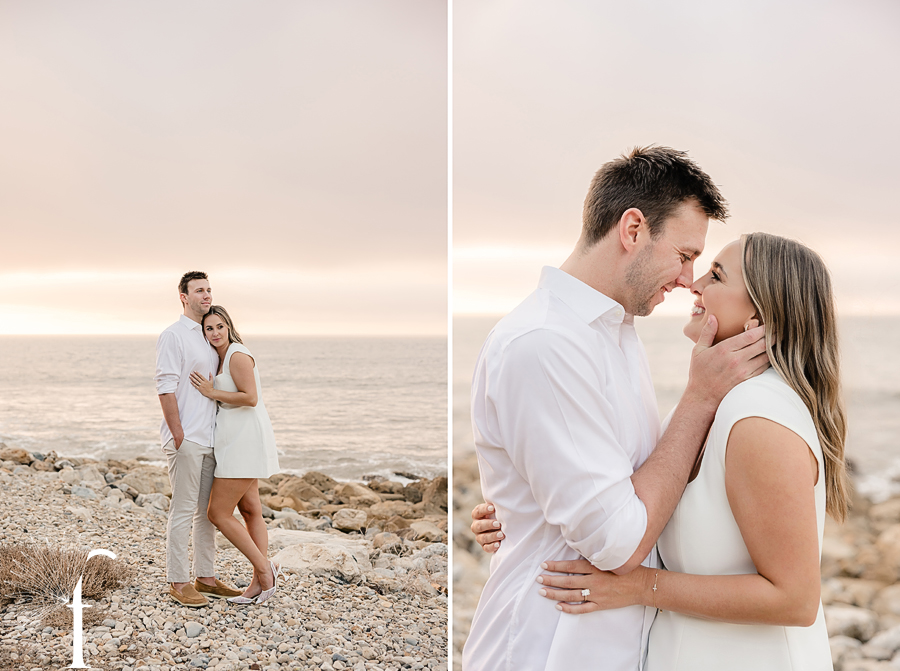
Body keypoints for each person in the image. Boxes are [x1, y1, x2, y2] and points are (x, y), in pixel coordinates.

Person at [461, 146, 769, 671]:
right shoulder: (545, 343)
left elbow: (636, 477)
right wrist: (698, 399)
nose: (687, 279)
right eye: (685, 254)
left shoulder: (614, 332)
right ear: (633, 230)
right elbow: (618, 542)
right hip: (546, 647)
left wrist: (522, 507)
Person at [477, 235, 847, 669]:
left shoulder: (758, 418)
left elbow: (796, 599)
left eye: (716, 275)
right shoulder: (712, 401)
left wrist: (640, 586)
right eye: (695, 262)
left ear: (758, 318)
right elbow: (636, 490)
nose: (695, 282)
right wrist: (526, 508)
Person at [155, 271, 242, 607]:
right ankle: (178, 581)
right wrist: (178, 435)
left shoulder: (208, 336)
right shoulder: (173, 335)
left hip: (210, 439)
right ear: (183, 297)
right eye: (199, 291)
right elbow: (164, 386)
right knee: (183, 510)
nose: (206, 296)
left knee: (206, 513)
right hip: (187, 438)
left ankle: (205, 577)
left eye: (209, 290)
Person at [189, 305, 281, 604]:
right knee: (252, 510)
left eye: (219, 326)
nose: (215, 333)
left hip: (244, 440)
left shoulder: (238, 354)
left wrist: (211, 392)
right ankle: (258, 583)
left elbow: (250, 398)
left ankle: (266, 571)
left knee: (217, 513)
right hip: (232, 439)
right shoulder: (219, 358)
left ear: (228, 326)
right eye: (208, 329)